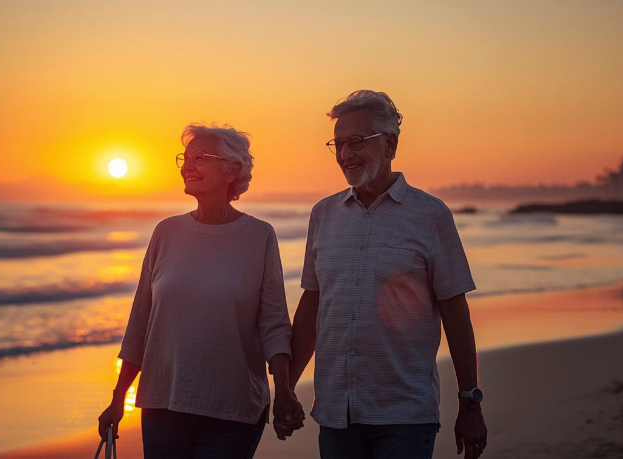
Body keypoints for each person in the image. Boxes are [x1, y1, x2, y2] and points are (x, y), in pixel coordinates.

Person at [281, 90, 488, 459]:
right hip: (335, 413)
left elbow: (456, 314)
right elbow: (313, 306)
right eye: (339, 144)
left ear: (390, 144)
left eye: (356, 142)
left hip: (403, 414)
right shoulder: (323, 215)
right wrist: (286, 389)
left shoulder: (430, 215)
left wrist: (469, 402)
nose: (345, 155)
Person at [98, 123, 304, 459]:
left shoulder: (259, 236)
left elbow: (274, 324)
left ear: (231, 170)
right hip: (162, 404)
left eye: (200, 157)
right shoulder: (166, 233)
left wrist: (284, 389)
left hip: (233, 410)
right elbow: (140, 325)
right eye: (185, 157)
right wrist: (118, 398)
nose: (187, 165)